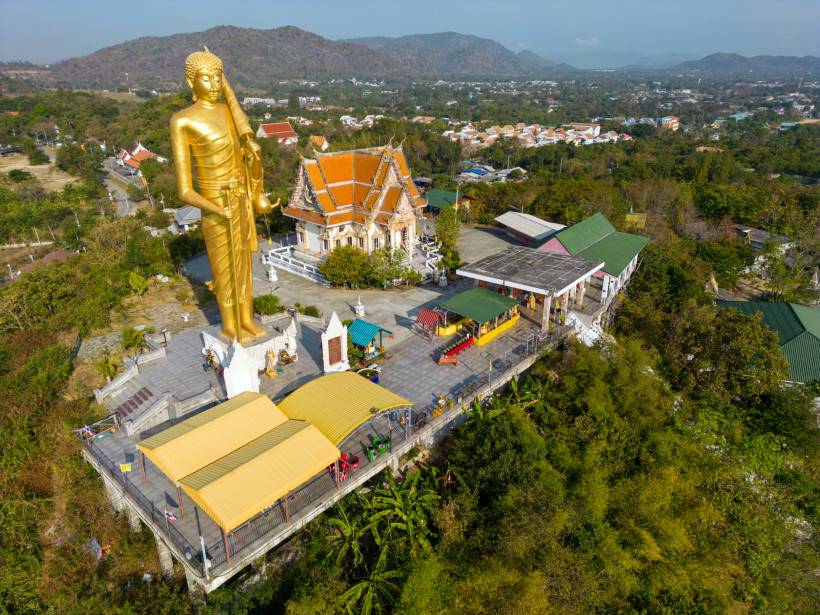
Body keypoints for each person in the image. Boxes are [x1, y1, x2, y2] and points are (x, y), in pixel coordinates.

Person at [171, 48, 277, 343]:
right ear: (190, 82)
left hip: (240, 199)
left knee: (244, 265)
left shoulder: (230, 113)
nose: (215, 85)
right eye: (206, 78)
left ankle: (247, 319)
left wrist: (254, 158)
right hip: (215, 204)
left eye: (219, 78)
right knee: (224, 269)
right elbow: (185, 190)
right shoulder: (182, 121)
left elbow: (244, 161)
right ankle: (230, 324)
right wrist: (217, 210)